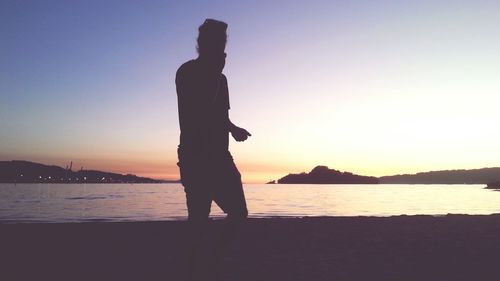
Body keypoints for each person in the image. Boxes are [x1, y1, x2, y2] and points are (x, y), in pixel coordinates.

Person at [175, 19, 251, 280]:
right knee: (198, 218)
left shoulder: (222, 78)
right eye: (214, 41)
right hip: (195, 156)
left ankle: (213, 258)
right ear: (201, 43)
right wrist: (216, 73)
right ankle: (194, 268)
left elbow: (221, 114)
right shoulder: (186, 72)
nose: (220, 45)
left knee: (239, 213)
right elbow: (198, 109)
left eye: (222, 41)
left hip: (221, 156)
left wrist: (233, 128)